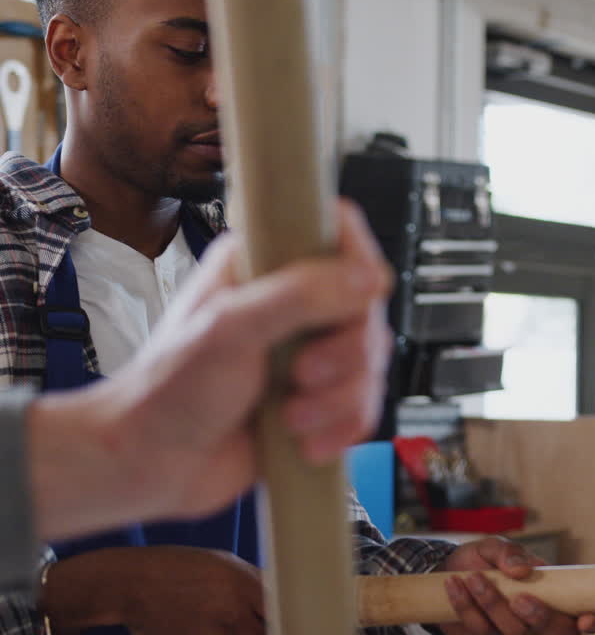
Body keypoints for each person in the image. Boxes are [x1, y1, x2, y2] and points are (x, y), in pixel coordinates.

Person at [1, 0, 595, 635]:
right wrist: (82, 594)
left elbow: (325, 547)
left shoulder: (263, 270)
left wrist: (437, 587)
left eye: (247, 57)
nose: (227, 93)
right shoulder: (13, 251)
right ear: (71, 54)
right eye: (188, 50)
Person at [2, 202, 388, 586]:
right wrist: (100, 596)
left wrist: (426, 580)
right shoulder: (14, 243)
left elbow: (322, 533)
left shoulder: (243, 250)